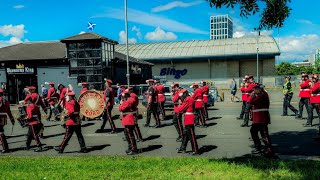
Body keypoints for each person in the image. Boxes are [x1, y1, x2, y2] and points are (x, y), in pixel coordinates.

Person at [249, 83, 274, 157]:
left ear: (260, 88)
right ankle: (260, 147)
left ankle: (268, 149)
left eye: (256, 88)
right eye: (254, 88)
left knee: (264, 134)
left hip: (261, 118)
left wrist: (252, 97)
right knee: (256, 132)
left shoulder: (262, 95)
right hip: (259, 118)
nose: (254, 90)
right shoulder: (261, 94)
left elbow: (252, 101)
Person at [176, 89, 199, 155]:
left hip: (189, 119)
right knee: (186, 135)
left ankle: (195, 150)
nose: (181, 97)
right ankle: (183, 148)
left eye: (182, 95)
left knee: (191, 136)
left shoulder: (188, 99)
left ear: (185, 94)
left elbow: (180, 109)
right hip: (188, 118)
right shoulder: (189, 98)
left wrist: (180, 104)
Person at [119, 89, 138, 155]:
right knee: (127, 134)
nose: (122, 97)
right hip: (127, 118)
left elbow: (121, 109)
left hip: (129, 119)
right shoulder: (127, 100)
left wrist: (121, 104)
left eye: (123, 95)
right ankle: (130, 147)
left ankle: (134, 149)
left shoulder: (129, 100)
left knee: (130, 135)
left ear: (126, 95)